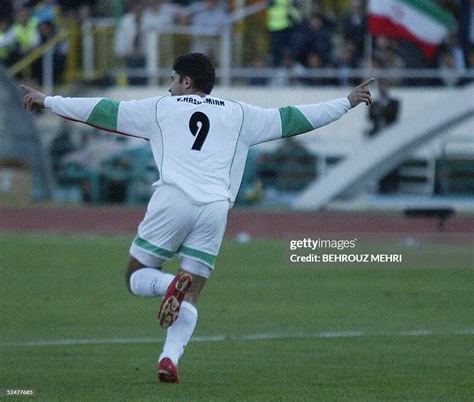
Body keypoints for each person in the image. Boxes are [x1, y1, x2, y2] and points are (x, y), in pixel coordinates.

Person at [22, 52, 374, 384]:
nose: (169, 86)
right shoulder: (240, 114)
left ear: (187, 82)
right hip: (215, 209)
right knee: (191, 297)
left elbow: (102, 110)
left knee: (134, 277)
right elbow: (294, 118)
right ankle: (169, 359)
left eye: (173, 80)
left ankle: (165, 284)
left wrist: (48, 100)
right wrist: (346, 103)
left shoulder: (162, 108)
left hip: (173, 199)